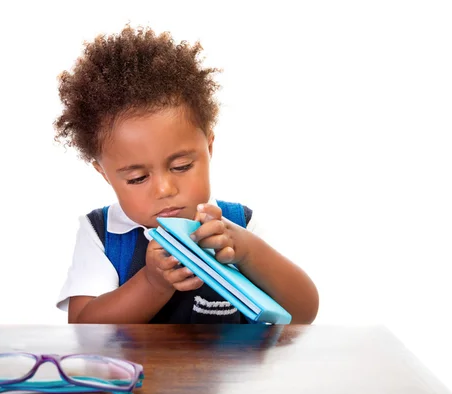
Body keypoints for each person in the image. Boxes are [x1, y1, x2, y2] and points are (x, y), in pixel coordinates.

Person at [53, 25, 319, 324]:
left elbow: (303, 313)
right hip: (138, 372)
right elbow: (83, 328)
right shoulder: (102, 234)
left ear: (208, 147)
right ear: (105, 174)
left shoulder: (238, 225)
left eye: (181, 167)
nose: (165, 189)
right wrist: (152, 284)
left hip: (228, 372)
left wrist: (246, 251)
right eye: (138, 178)